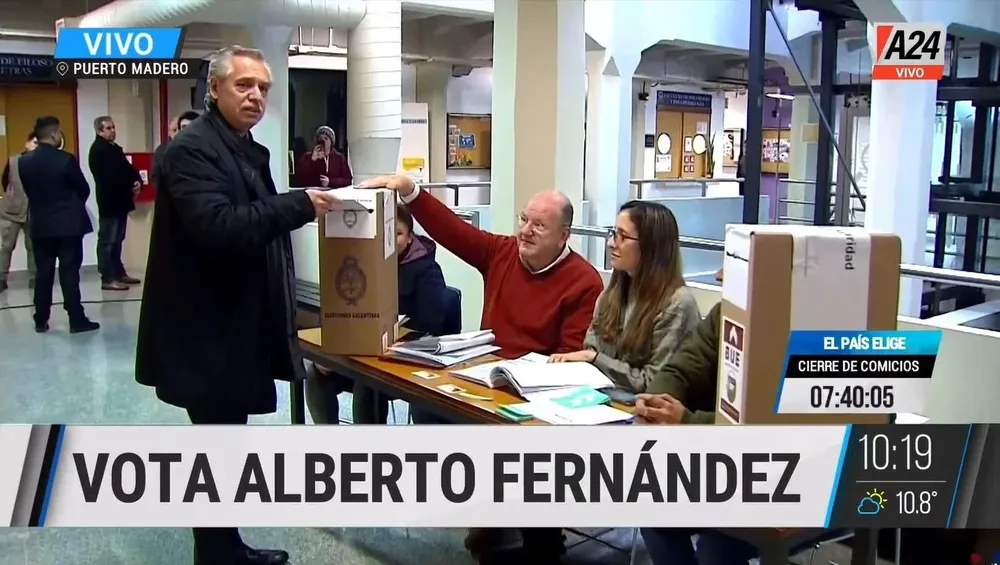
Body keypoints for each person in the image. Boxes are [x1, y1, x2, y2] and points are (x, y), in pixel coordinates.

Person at [134, 45, 339, 565]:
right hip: (205, 331)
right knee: (216, 444)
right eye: (243, 85)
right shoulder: (192, 151)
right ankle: (219, 552)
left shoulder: (244, 147)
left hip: (234, 325)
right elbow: (219, 226)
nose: (255, 96)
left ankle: (223, 545)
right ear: (214, 90)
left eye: (264, 88)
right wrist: (299, 204)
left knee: (222, 445)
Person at [360, 174, 603, 562]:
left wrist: (522, 377)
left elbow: (568, 359)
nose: (526, 231)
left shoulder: (584, 282)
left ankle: (528, 530)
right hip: (483, 381)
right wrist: (411, 191)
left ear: (564, 235)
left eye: (539, 225)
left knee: (520, 448)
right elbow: (453, 231)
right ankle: (488, 507)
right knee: (428, 409)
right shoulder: (501, 252)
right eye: (524, 219)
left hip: (534, 396)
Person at [311, 202, 450, 425]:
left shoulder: (426, 270)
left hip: (398, 358)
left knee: (367, 381)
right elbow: (334, 304)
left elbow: (431, 323)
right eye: (386, 233)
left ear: (410, 237)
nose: (392, 240)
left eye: (398, 233)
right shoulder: (361, 262)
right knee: (315, 372)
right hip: (357, 353)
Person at [550, 201, 701, 392]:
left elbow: (653, 382)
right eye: (613, 234)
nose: (611, 243)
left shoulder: (677, 304)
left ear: (650, 246)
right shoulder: (610, 295)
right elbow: (591, 350)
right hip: (604, 400)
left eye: (623, 236)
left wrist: (595, 360)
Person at [19, 117, 100, 334]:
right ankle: (76, 318)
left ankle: (40, 318)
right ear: (54, 134)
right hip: (68, 225)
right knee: (69, 272)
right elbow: (83, 189)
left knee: (43, 273)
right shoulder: (65, 160)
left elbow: (29, 192)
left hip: (41, 225)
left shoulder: (24, 162)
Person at [88, 115, 142, 291]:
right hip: (109, 202)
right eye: (108, 128)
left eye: (113, 127)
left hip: (121, 202)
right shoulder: (98, 151)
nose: (113, 131)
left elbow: (127, 169)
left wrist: (136, 180)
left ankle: (119, 272)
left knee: (118, 239)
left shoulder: (114, 149)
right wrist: (128, 182)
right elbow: (111, 176)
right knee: (108, 241)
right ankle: (108, 277)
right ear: (99, 131)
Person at [0, 132, 38, 292]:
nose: (37, 147)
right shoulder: (14, 161)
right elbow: (5, 181)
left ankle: (35, 278)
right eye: (35, 142)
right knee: (7, 245)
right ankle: (1, 278)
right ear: (27, 143)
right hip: (12, 210)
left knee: (33, 246)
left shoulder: (41, 163)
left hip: (33, 211)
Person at [153, 110, 200, 178]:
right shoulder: (165, 151)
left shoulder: (209, 149)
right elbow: (156, 176)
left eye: (191, 127)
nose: (187, 131)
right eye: (183, 127)